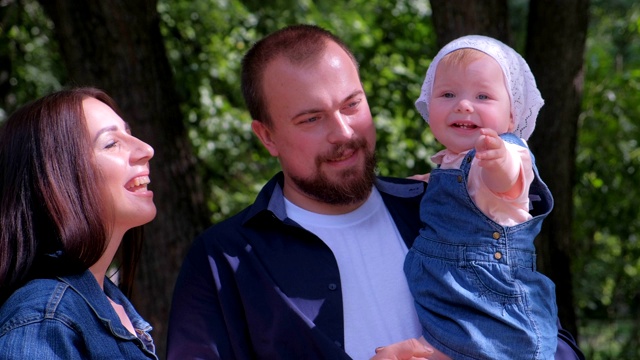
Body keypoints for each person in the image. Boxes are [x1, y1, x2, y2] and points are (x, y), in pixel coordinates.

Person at [167, 25, 584, 360]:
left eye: (352, 105)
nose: (343, 133)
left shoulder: (445, 206)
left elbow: (547, 338)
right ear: (267, 136)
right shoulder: (223, 259)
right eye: (312, 118)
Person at [402, 35, 560, 360]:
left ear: (512, 117)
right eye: (448, 94)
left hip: (495, 300)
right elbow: (457, 185)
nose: (463, 104)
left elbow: (507, 180)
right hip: (452, 295)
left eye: (483, 96)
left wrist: (499, 160)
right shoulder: (450, 160)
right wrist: (427, 182)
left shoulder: (505, 152)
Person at [0, 87, 158, 359]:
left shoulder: (111, 305)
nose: (146, 149)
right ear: (55, 179)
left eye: (129, 133)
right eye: (111, 143)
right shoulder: (43, 318)